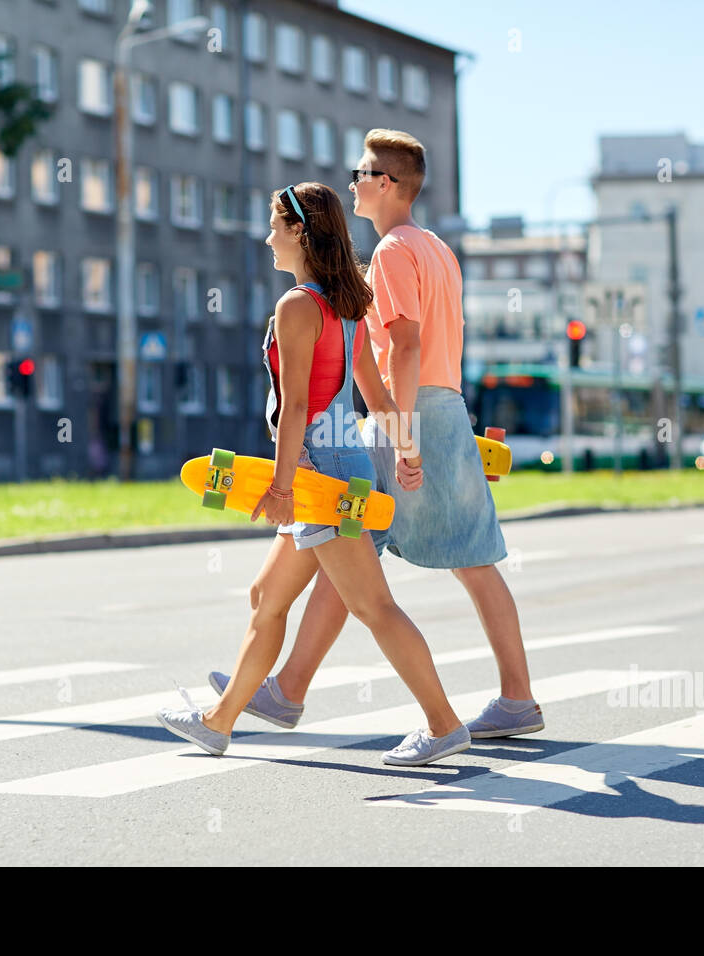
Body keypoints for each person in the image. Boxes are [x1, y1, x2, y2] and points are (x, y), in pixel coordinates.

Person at [212, 130, 543, 738]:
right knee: (452, 558)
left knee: (364, 558)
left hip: (409, 413)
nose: (354, 182)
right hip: (444, 407)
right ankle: (512, 696)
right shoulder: (437, 247)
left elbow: (406, 345)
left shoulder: (391, 251)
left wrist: (400, 432)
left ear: (386, 184)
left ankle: (299, 691)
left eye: (362, 173)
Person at [157, 182, 472, 766]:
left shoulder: (299, 305)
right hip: (338, 466)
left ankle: (444, 723)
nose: (268, 236)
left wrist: (281, 488)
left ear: (300, 231)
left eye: (276, 225)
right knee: (265, 595)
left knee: (373, 607)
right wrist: (405, 450)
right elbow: (373, 394)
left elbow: (299, 406)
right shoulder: (344, 302)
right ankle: (219, 721)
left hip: (321, 477)